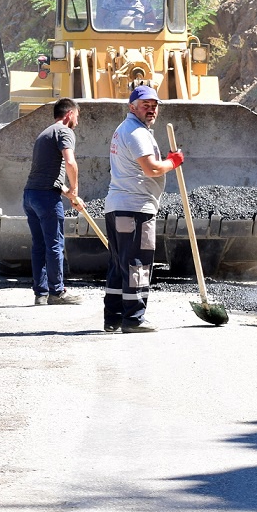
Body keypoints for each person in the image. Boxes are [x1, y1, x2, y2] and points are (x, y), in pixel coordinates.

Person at [102, 85, 184, 333]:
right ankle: (134, 319)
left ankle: (113, 317)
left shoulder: (123, 129)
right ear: (132, 107)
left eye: (154, 105)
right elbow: (152, 169)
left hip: (118, 207)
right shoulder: (137, 133)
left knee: (119, 264)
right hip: (136, 208)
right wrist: (173, 161)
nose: (151, 109)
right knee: (137, 264)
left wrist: (164, 162)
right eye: (145, 105)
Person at [23, 98, 83, 306]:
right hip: (46, 197)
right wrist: (75, 190)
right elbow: (70, 163)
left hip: (30, 195)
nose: (77, 120)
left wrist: (69, 196)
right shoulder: (65, 131)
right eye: (77, 115)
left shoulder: (44, 134)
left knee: (39, 245)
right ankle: (56, 291)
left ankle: (41, 293)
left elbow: (50, 175)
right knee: (55, 244)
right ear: (68, 114)